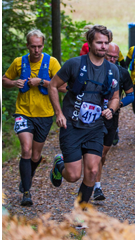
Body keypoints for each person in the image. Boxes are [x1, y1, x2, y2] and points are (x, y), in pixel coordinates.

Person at [47, 25, 121, 205]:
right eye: (99, 42)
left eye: (106, 43)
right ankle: (59, 164)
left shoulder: (113, 70)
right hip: (71, 125)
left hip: (95, 127)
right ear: (90, 43)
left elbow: (116, 97)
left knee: (93, 171)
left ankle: (80, 212)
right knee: (73, 175)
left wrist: (111, 109)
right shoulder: (75, 64)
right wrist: (59, 113)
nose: (103, 46)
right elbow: (52, 85)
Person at [2, 29, 63, 206]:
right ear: (28, 45)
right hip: (23, 113)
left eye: (39, 46)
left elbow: (65, 86)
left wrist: (42, 82)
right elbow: (4, 80)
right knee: (26, 150)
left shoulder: (51, 63)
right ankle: (27, 193)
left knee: (35, 156)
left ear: (43, 45)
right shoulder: (18, 62)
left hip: (44, 115)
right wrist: (14, 83)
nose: (36, 50)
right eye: (33, 46)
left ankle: (27, 176)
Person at [92, 42, 135, 201]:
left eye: (114, 57)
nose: (111, 59)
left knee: (102, 153)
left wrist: (118, 105)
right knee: (95, 153)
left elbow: (131, 95)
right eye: (109, 56)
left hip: (111, 117)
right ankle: (97, 187)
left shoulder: (122, 72)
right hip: (92, 116)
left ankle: (93, 178)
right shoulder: (93, 67)